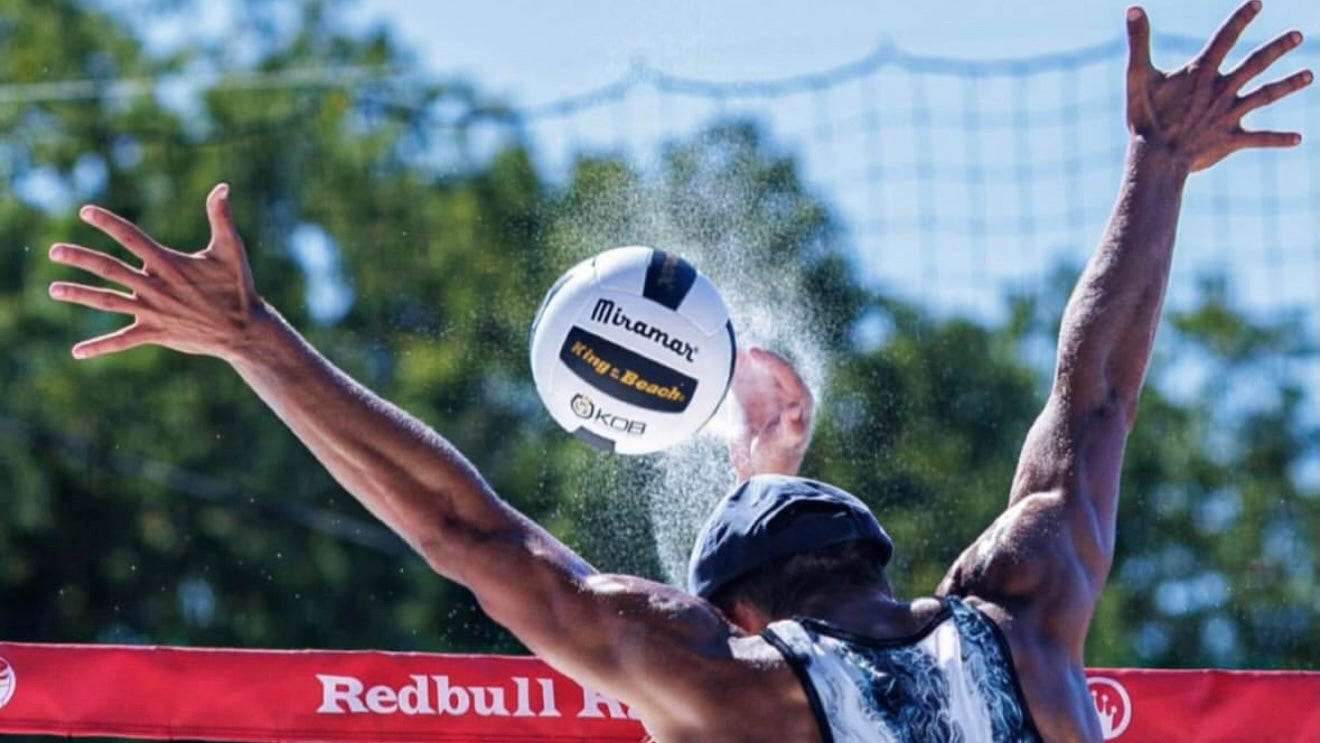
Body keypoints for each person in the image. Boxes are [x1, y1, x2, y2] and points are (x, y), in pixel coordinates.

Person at [46, 4, 1309, 741]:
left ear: (736, 604)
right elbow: (1094, 394)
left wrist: (254, 337)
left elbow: (466, 529)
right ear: (879, 551)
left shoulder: (730, 680)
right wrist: (1155, 163)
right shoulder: (1023, 612)